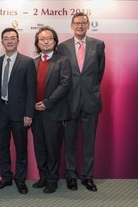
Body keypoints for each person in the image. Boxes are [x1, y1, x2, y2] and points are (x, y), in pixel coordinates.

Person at [57, 12, 106, 192]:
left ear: (88, 25)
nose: (80, 26)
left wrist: (89, 88)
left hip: (91, 101)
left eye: (83, 23)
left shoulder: (98, 45)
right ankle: (71, 175)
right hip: (69, 101)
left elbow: (99, 72)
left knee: (88, 141)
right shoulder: (62, 47)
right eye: (77, 23)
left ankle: (87, 176)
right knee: (69, 141)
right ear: (71, 25)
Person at [0, 28, 36, 194]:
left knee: (21, 148)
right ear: (2, 42)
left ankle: (21, 180)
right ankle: (6, 177)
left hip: (20, 112)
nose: (9, 41)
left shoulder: (27, 62)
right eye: (6, 38)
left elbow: (31, 90)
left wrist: (29, 113)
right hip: (0, 110)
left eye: (12, 38)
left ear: (18, 41)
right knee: (3, 147)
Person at [31, 26, 72, 194]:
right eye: (42, 39)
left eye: (49, 38)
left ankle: (53, 180)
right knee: (39, 148)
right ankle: (43, 177)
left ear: (55, 42)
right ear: (37, 43)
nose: (46, 41)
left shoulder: (62, 61)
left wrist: (47, 102)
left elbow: (65, 85)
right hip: (35, 113)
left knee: (52, 148)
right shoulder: (32, 62)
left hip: (53, 112)